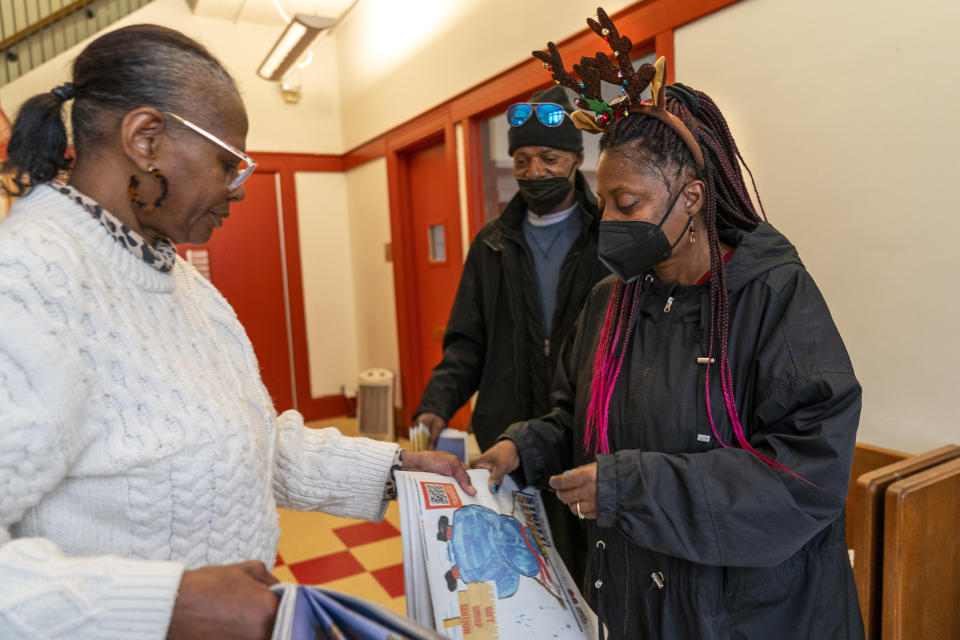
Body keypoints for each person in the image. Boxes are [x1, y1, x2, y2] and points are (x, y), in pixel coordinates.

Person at [0, 25, 472, 640]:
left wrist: (393, 469)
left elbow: (246, 442)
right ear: (145, 139)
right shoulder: (28, 283)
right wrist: (165, 605)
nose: (237, 190)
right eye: (228, 164)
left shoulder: (176, 279)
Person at [475, 11, 864, 639]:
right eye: (606, 205)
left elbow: (804, 478)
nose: (611, 223)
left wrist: (632, 488)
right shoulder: (613, 299)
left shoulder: (774, 296)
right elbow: (577, 416)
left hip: (751, 616)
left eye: (629, 205)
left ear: (692, 196)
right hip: (639, 599)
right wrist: (522, 447)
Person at [412, 84, 608, 582]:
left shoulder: (607, 236)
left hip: (584, 439)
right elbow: (467, 341)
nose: (534, 172)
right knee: (521, 575)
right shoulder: (492, 243)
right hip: (505, 442)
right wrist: (435, 406)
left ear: (577, 157)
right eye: (521, 160)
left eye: (548, 157)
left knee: (586, 575)